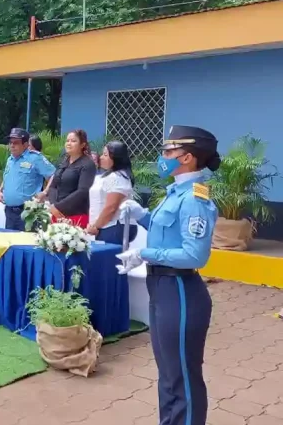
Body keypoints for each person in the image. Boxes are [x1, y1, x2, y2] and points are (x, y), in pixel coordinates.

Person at [117, 125, 221, 425]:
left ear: (187, 157)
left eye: (168, 151)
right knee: (168, 375)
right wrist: (141, 215)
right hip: (161, 287)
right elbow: (169, 235)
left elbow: (195, 255)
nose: (163, 157)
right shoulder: (177, 192)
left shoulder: (194, 199)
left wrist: (144, 253)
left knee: (183, 378)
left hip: (180, 290)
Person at [0, 128, 55, 231]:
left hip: (27, 212)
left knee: (25, 244)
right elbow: (8, 177)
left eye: (16, 143)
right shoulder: (10, 159)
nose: (12, 145)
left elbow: (54, 175)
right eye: (10, 142)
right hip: (9, 211)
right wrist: (0, 190)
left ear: (25, 145)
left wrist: (45, 192)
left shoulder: (35, 158)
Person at [85, 140, 137, 244]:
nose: (101, 157)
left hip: (114, 226)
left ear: (115, 158)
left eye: (105, 155)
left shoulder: (117, 177)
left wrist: (95, 226)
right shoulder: (110, 176)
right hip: (107, 226)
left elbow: (111, 208)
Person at [42, 129, 96, 227]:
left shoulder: (87, 164)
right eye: (67, 141)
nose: (69, 143)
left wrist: (59, 206)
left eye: (73, 141)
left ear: (82, 145)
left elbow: (83, 191)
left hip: (75, 215)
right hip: (56, 213)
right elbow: (53, 186)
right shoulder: (64, 162)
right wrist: (53, 206)